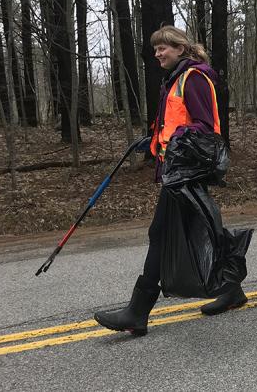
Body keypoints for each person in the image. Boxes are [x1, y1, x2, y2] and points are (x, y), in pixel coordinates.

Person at [94, 26, 248, 336]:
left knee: (161, 233)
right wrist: (152, 140)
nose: (158, 54)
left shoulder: (193, 79)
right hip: (177, 169)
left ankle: (137, 312)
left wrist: (175, 140)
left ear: (180, 47)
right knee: (203, 230)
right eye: (155, 50)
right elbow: (177, 124)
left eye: (163, 48)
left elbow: (205, 127)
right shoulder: (176, 79)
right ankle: (231, 289)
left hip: (187, 170)